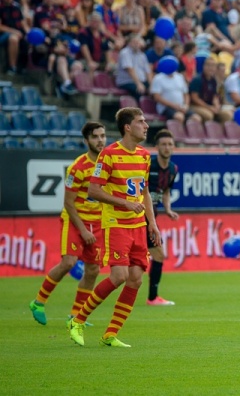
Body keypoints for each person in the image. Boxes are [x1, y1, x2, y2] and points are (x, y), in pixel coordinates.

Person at [69, 107, 161, 348]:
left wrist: (153, 223)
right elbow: (93, 190)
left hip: (138, 226)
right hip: (116, 224)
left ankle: (110, 333)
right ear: (128, 127)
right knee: (119, 276)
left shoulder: (144, 155)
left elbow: (144, 192)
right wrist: (124, 203)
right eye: (141, 121)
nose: (146, 125)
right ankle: (78, 320)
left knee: (136, 279)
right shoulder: (109, 154)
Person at [29, 122, 107, 327]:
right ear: (86, 141)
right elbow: (68, 203)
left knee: (93, 270)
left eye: (103, 136)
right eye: (95, 137)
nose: (100, 140)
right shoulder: (77, 168)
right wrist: (82, 229)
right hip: (75, 220)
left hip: (97, 223)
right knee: (69, 262)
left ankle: (76, 315)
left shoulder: (107, 165)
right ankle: (38, 302)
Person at [146, 129, 180, 306]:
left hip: (152, 218)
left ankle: (153, 297)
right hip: (138, 217)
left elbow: (166, 191)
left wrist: (168, 209)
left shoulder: (173, 169)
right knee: (158, 254)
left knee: (158, 255)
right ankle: (152, 298)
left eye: (170, 144)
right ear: (157, 147)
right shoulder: (148, 165)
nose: (167, 148)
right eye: (163, 144)